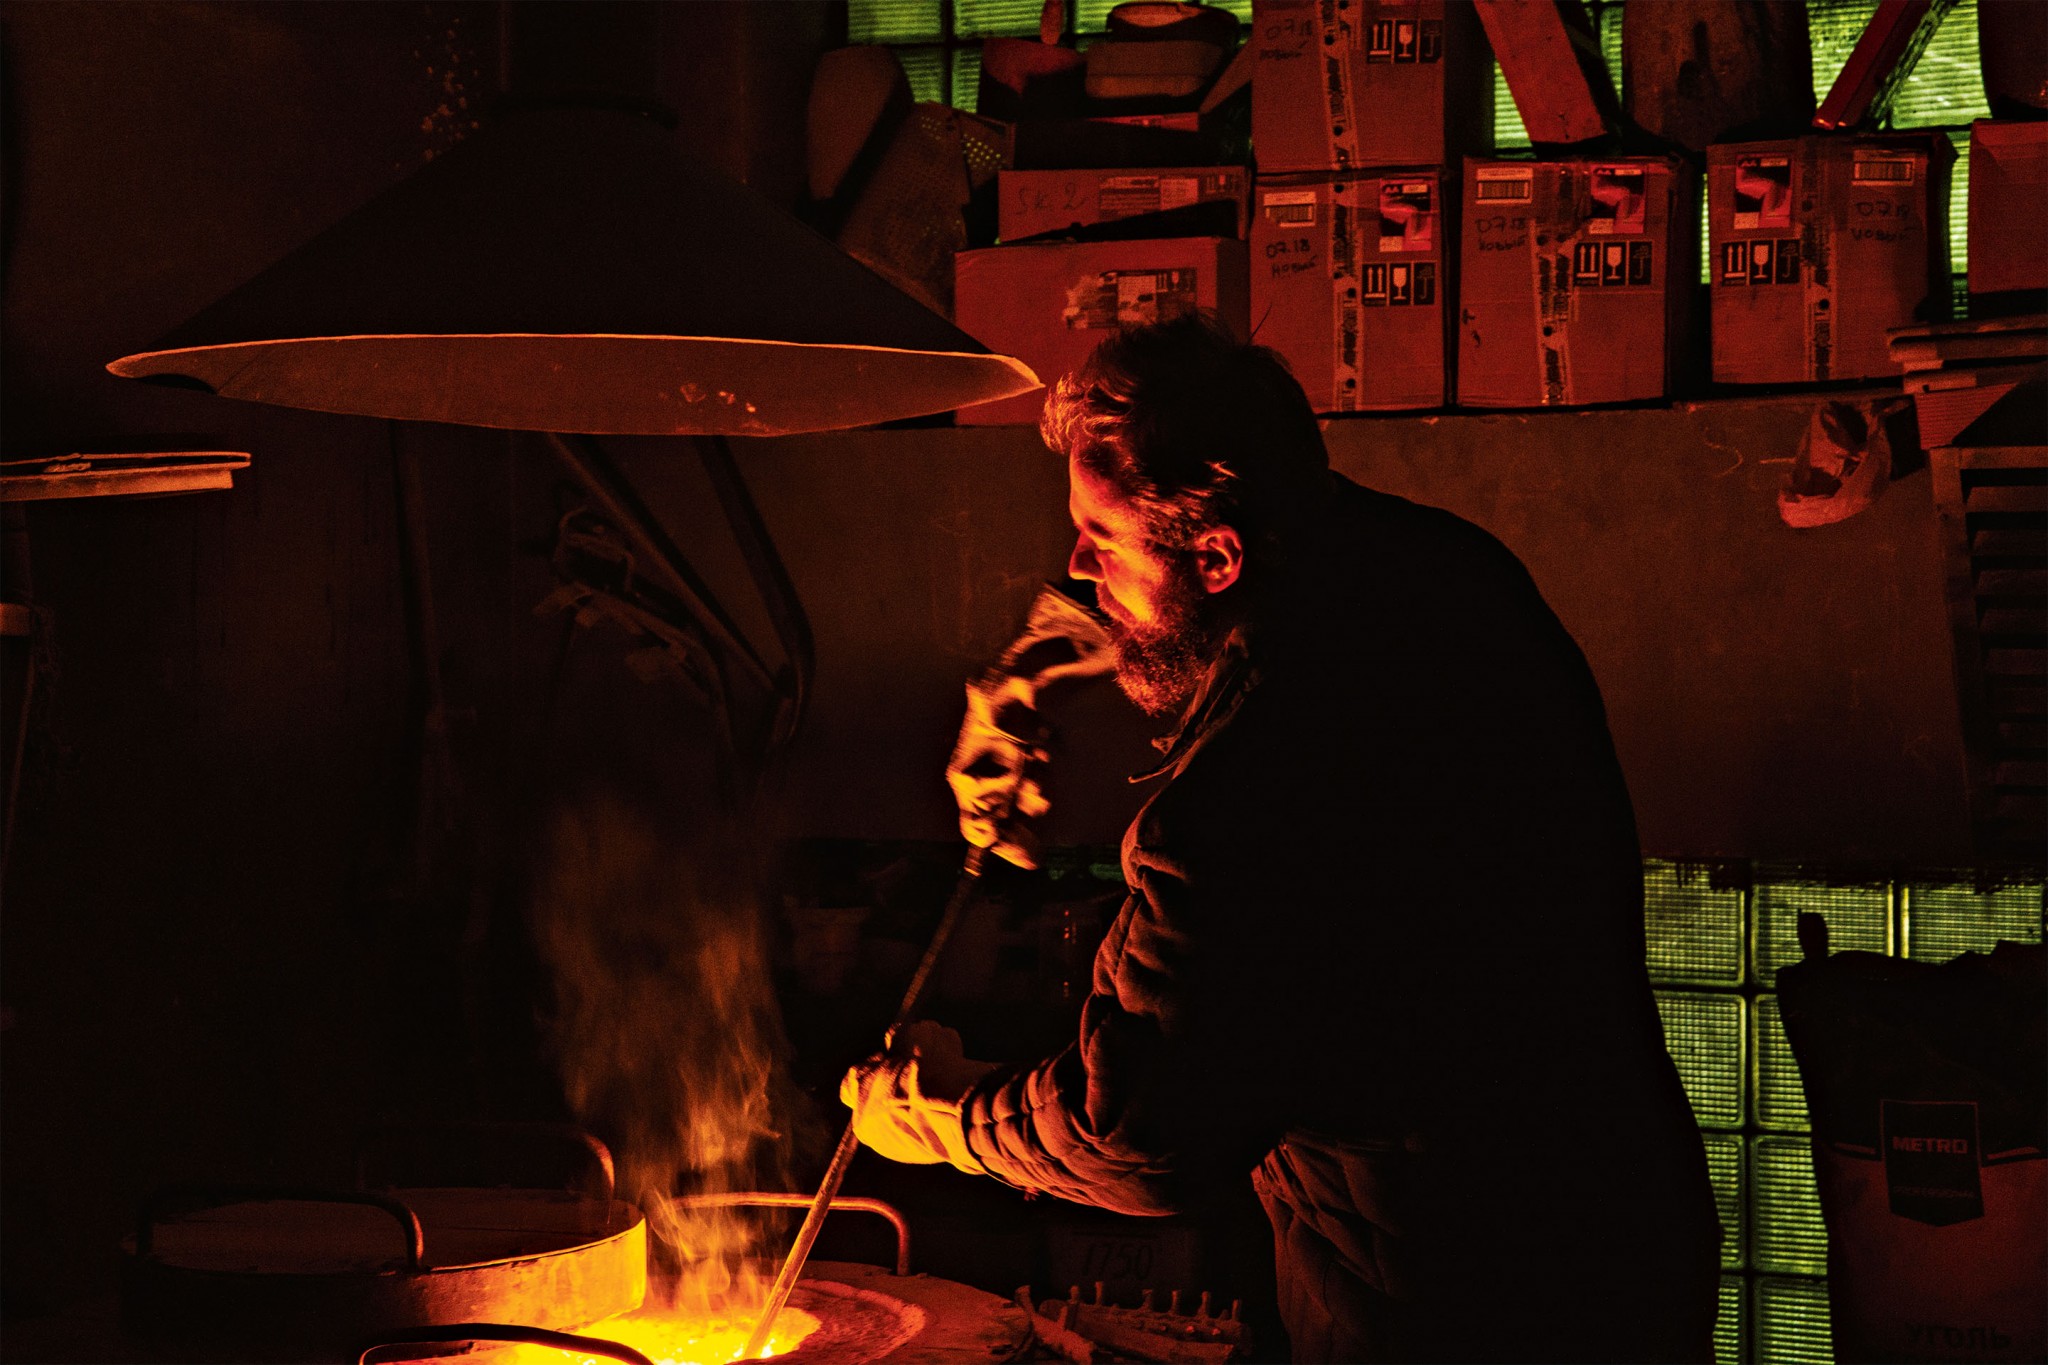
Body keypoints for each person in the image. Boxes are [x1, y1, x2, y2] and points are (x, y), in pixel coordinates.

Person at [841, 314, 1722, 1364]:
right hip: (1629, 1235)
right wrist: (1029, 668)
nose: (1077, 568)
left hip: (1459, 1304)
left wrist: (942, 1116)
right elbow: (1192, 588)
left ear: (1218, 555)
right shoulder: (1430, 562)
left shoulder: (1256, 784)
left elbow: (1140, 1135)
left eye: (1101, 543)